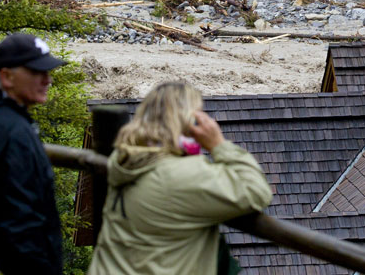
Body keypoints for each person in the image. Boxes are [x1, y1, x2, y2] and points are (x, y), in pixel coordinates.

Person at [88, 81, 273, 275]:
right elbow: (256, 191)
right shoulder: (181, 174)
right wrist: (218, 144)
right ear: (189, 123)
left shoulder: (124, 158)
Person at [0, 32, 68, 275]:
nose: (47, 80)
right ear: (7, 76)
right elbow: (19, 217)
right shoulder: (10, 132)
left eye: (48, 72)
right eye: (36, 72)